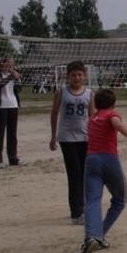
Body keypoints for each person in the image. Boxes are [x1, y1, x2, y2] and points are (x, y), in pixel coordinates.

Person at [78, 88, 127, 253]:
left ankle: (91, 237)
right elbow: (117, 124)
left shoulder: (92, 118)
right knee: (120, 200)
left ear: (96, 104)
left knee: (92, 200)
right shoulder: (111, 115)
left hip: (91, 161)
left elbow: (98, 112)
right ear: (114, 104)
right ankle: (99, 236)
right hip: (108, 160)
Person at [50, 61, 95, 225]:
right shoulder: (61, 92)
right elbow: (54, 113)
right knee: (74, 174)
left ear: (84, 76)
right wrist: (53, 136)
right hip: (67, 137)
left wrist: (95, 137)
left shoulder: (89, 93)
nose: (77, 78)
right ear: (68, 76)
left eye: (80, 74)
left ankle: (83, 207)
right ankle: (76, 213)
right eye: (73, 75)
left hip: (85, 137)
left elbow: (92, 116)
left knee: (84, 173)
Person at [0, 57, 25, 168]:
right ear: (2, 63)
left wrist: (18, 79)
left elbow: (19, 88)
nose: (10, 66)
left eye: (12, 64)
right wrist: (12, 76)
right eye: (8, 63)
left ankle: (13, 158)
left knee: (12, 134)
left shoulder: (14, 74)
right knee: (0, 133)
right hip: (1, 106)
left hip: (13, 104)